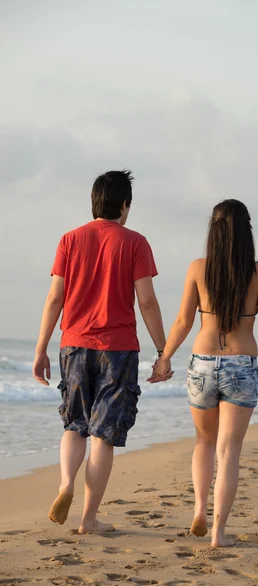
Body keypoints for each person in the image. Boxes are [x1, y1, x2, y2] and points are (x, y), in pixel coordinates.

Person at [33, 169, 172, 533]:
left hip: (73, 346)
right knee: (103, 435)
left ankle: (66, 484)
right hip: (118, 350)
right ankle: (88, 519)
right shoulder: (136, 243)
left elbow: (54, 298)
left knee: (74, 425)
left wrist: (41, 349)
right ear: (125, 205)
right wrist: (163, 350)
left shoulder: (69, 240)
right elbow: (147, 302)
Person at [151, 199, 258, 547]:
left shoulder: (198, 268)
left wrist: (164, 357)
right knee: (229, 451)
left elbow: (184, 321)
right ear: (247, 232)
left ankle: (199, 507)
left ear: (212, 233)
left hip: (202, 362)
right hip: (241, 365)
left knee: (204, 442)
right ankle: (218, 533)